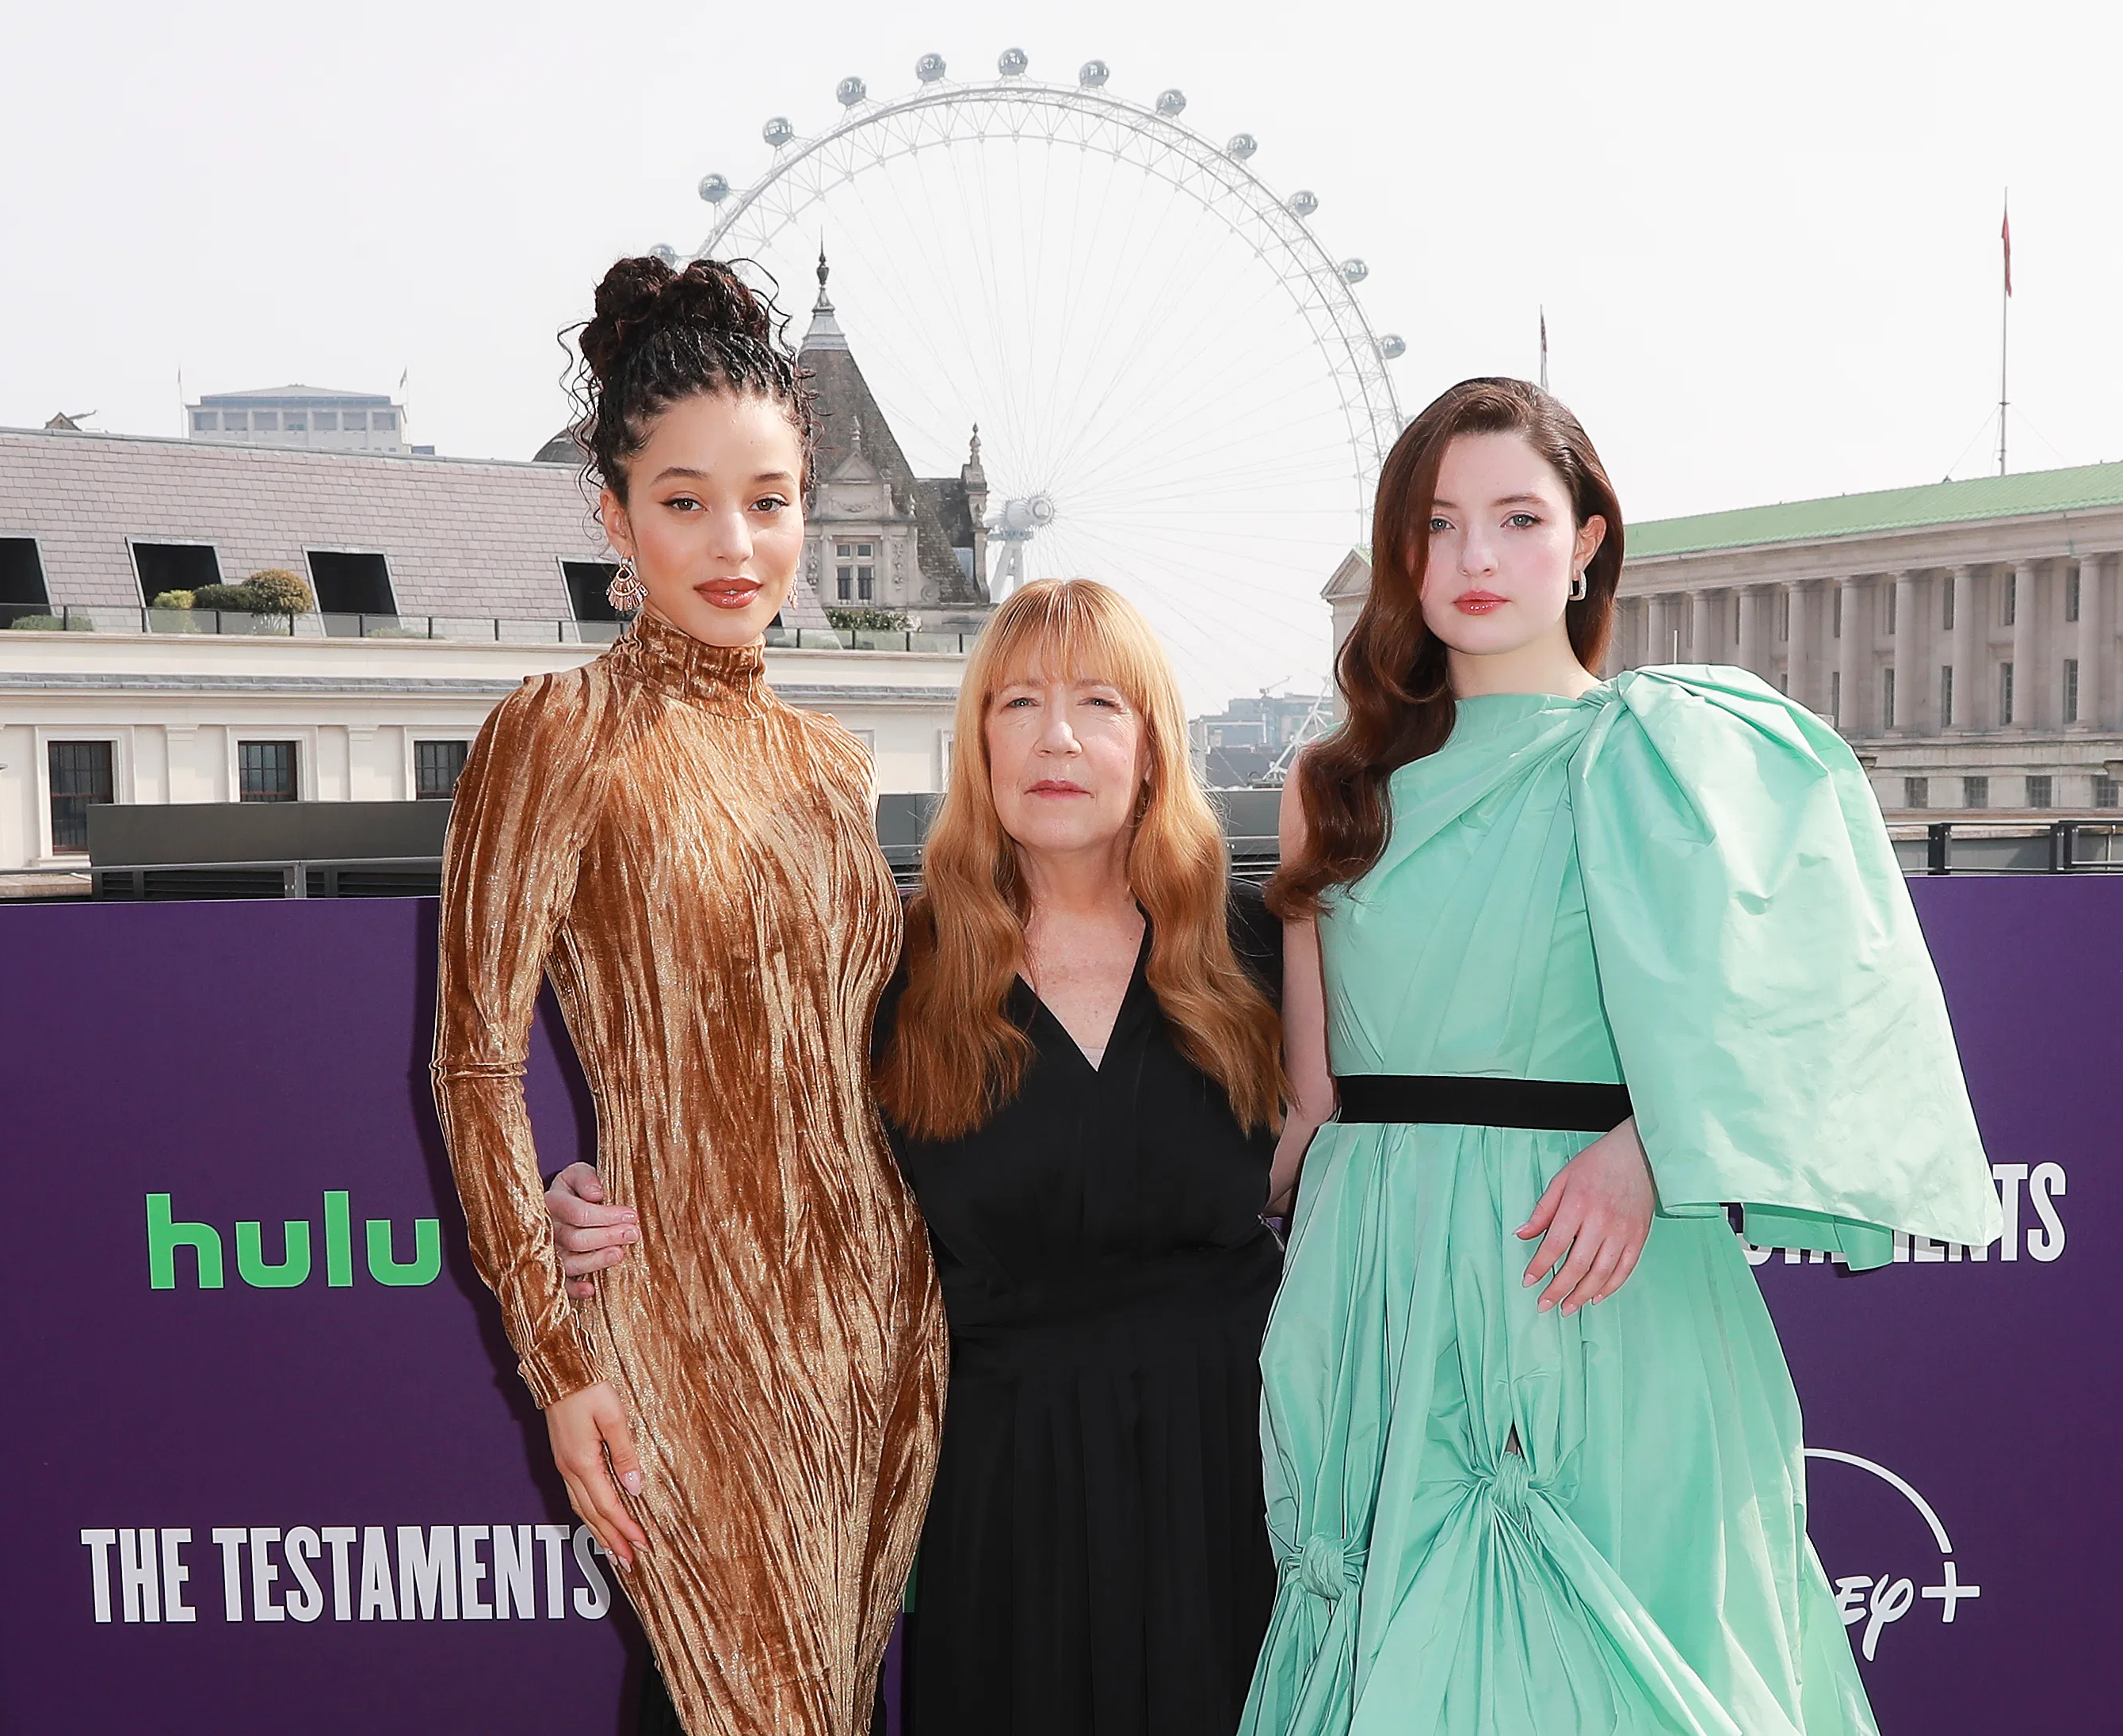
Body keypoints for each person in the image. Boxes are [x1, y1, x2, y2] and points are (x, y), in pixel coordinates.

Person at [1242, 378, 2001, 1736]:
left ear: (1587, 539)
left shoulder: (1668, 745)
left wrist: (1653, 1149)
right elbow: (1314, 1093)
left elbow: (1814, 998)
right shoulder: (1329, 780)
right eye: (1438, 524)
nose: (1476, 560)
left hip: (1585, 1267)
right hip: (1379, 1277)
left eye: (1517, 518)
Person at [552, 578, 1288, 1735]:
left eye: (1098, 701)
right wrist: (580, 1197)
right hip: (1000, 1491)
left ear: (1151, 747)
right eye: (1016, 702)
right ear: (975, 744)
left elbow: (1382, 1152)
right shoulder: (890, 967)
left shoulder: (1260, 950)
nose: (1056, 736)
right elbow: (746, 1154)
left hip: (1233, 1476)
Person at [432, 256, 944, 1736]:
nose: (735, 541)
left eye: (770, 500)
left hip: (876, 1323)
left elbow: (852, 1053)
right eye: (684, 499)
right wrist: (561, 1358)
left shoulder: (828, 764)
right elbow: (472, 1068)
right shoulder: (556, 730)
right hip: (681, 1339)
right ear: (612, 513)